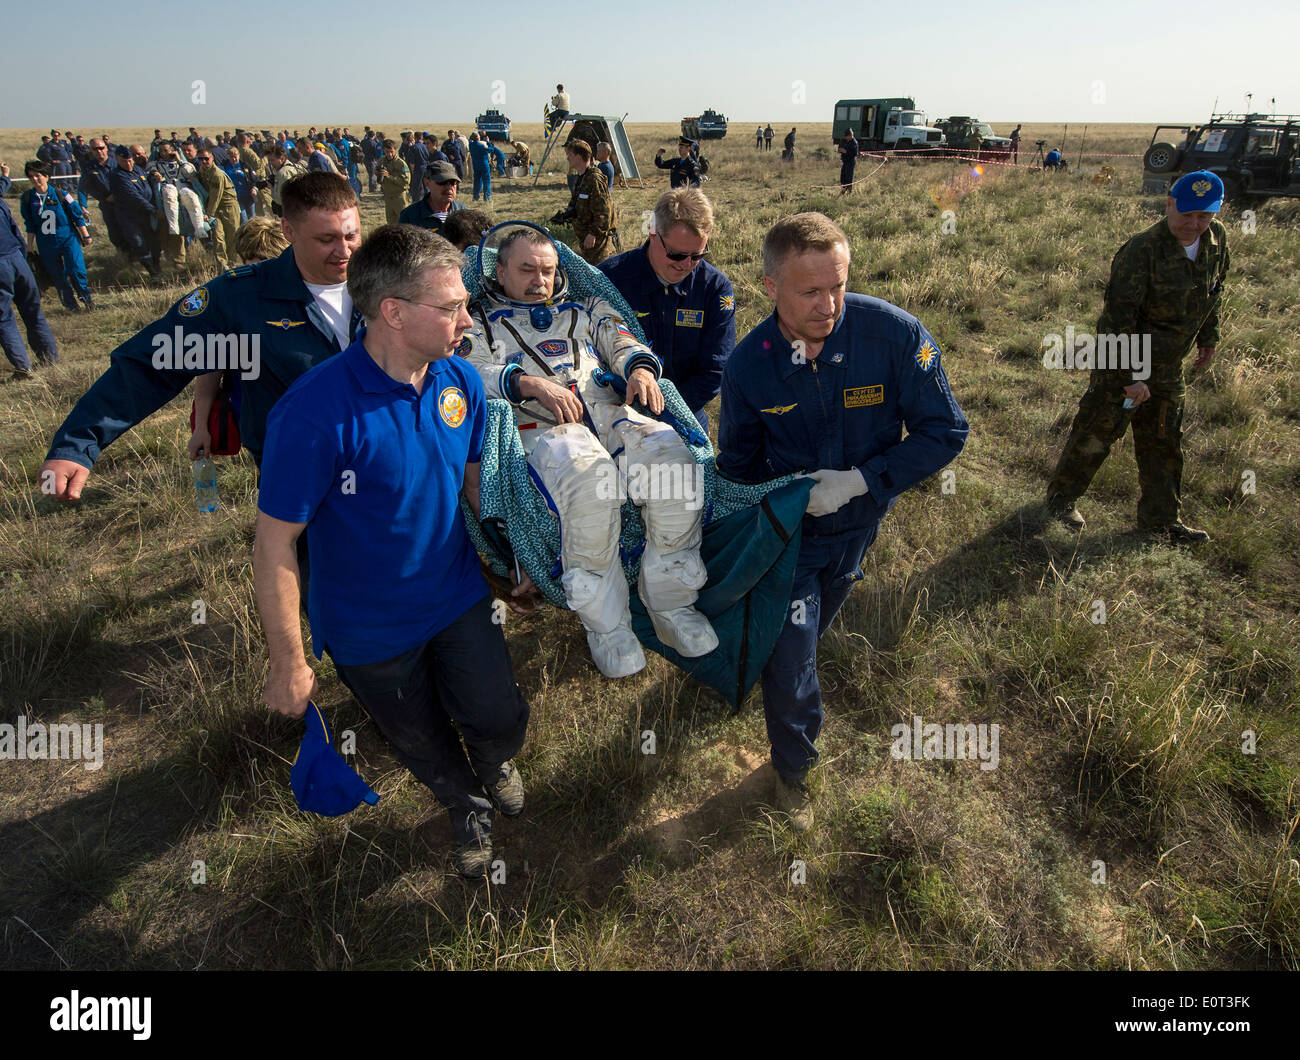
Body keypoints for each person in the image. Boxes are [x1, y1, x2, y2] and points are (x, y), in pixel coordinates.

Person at [254, 225, 531, 877]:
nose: (469, 318)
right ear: (394, 313)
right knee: (421, 740)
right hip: (367, 632)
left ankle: (494, 758)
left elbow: (468, 484)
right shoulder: (314, 414)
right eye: (453, 307)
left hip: (458, 597)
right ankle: (465, 807)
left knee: (495, 713)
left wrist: (507, 561)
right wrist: (288, 661)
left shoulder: (459, 380)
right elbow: (273, 545)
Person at [717, 212, 968, 831]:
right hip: (791, 540)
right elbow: (739, 468)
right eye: (810, 291)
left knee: (817, 627)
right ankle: (795, 769)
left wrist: (861, 481)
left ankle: (781, 680)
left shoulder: (894, 336)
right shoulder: (749, 366)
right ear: (770, 287)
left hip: (859, 526)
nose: (829, 304)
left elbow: (946, 431)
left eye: (839, 284)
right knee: (793, 655)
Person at [464, 223, 717, 678]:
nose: (539, 280)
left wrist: (639, 369)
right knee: (591, 490)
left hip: (607, 411)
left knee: (674, 469)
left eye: (547, 270)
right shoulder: (476, 321)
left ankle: (671, 605)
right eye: (526, 270)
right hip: (543, 430)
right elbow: (464, 370)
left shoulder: (584, 308)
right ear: (500, 272)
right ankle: (608, 627)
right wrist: (526, 382)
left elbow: (621, 337)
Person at [38, 173, 364, 503]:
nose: (343, 250)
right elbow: (151, 365)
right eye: (326, 239)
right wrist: (78, 443)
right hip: (300, 478)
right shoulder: (240, 301)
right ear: (289, 231)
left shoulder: (388, 284)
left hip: (389, 468)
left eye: (352, 235)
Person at [1045, 171, 1230, 544]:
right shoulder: (1141, 251)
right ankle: (1060, 502)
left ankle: (1161, 520)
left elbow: (1214, 291)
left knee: (1164, 442)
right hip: (1124, 362)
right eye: (1187, 215)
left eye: (1204, 216)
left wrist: (1209, 337)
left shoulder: (1216, 239)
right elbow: (1116, 322)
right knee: (1097, 433)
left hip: (1169, 367)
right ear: (1169, 204)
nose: (1194, 225)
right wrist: (1131, 377)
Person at [598, 188, 734, 433]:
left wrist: (667, 412)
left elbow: (715, 370)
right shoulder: (610, 279)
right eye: (677, 254)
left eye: (697, 255)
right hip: (617, 418)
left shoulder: (715, 288)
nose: (686, 265)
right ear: (652, 232)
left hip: (683, 418)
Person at [0, 163, 59, 379]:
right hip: (18, 258)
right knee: (33, 312)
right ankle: (50, 359)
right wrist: (5, 176)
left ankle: (24, 369)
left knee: (4, 318)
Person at [19, 162, 93, 313]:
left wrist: (86, 234)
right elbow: (30, 224)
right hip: (46, 243)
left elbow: (77, 215)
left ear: (46, 176)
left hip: (67, 238)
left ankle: (86, 299)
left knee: (76, 269)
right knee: (57, 276)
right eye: (31, 176)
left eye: (38, 175)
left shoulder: (61, 194)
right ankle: (71, 306)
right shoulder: (27, 198)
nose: (35, 179)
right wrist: (30, 245)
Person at [109, 145, 161, 277]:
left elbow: (146, 184)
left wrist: (154, 176)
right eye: (124, 161)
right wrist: (153, 210)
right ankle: (152, 273)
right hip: (130, 216)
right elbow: (133, 196)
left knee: (153, 240)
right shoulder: (118, 176)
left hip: (145, 214)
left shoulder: (138, 170)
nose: (128, 163)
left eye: (130, 160)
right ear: (117, 160)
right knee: (138, 242)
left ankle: (157, 265)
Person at [566, 140, 615, 265]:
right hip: (586, 240)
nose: (567, 158)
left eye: (570, 155)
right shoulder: (581, 178)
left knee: (601, 274)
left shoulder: (594, 179)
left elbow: (604, 211)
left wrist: (593, 233)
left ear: (578, 157)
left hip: (597, 243)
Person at [196, 147, 242, 270]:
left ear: (212, 158)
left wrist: (209, 214)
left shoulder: (217, 174)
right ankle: (222, 264)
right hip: (215, 209)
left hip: (228, 207)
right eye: (201, 159)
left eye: (206, 158)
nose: (204, 161)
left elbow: (216, 196)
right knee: (218, 236)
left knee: (232, 235)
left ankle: (234, 263)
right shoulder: (202, 171)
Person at [77, 139, 125, 252]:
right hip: (107, 205)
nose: (99, 151)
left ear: (106, 148)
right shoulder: (88, 168)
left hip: (124, 204)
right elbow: (83, 187)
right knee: (114, 233)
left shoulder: (118, 163)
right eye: (95, 149)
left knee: (130, 230)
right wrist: (83, 205)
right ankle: (122, 254)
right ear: (91, 151)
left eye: (101, 148)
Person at [399, 161, 465, 234]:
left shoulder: (463, 214)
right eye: (442, 182)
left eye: (453, 182)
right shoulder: (410, 216)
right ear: (427, 182)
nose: (449, 187)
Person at [377, 140, 411, 224]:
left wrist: (389, 177)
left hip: (399, 196)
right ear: (383, 150)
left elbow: (406, 182)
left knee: (404, 222)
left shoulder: (401, 163)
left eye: (391, 151)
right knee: (391, 223)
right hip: (388, 196)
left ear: (395, 150)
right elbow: (380, 180)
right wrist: (378, 174)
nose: (389, 154)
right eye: (387, 152)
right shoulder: (381, 161)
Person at [467, 133, 493, 202]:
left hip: (475, 165)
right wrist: (488, 142)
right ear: (478, 138)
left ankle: (475, 197)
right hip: (484, 164)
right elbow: (491, 150)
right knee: (486, 181)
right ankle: (486, 198)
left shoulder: (471, 145)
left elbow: (470, 140)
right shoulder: (481, 146)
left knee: (477, 181)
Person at [838, 128, 859, 194]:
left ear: (850, 135)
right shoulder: (846, 141)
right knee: (843, 177)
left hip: (850, 162)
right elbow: (840, 148)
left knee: (849, 178)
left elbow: (855, 154)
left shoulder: (854, 143)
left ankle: (849, 192)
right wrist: (840, 150)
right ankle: (843, 189)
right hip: (845, 162)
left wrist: (846, 151)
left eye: (847, 136)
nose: (846, 137)